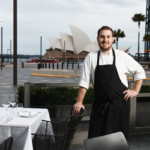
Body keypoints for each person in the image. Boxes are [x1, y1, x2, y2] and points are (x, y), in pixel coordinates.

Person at [73, 26, 146, 140]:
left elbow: (139, 70)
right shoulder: (90, 57)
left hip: (120, 107)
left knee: (117, 142)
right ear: (97, 39)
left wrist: (135, 90)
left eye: (108, 37)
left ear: (113, 39)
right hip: (100, 106)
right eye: (102, 37)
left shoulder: (121, 56)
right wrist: (79, 102)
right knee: (96, 140)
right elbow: (84, 82)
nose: (105, 40)